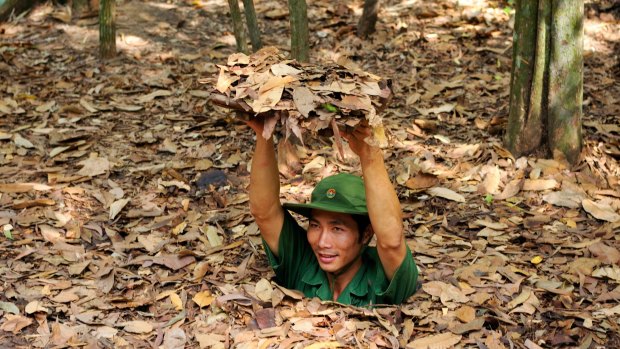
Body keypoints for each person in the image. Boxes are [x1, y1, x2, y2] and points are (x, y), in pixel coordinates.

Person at [247, 118, 418, 306]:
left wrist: (370, 154)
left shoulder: (382, 274)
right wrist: (264, 134)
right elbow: (264, 212)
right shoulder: (302, 261)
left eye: (337, 229)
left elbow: (392, 241)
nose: (322, 242)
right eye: (315, 225)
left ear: (366, 234)